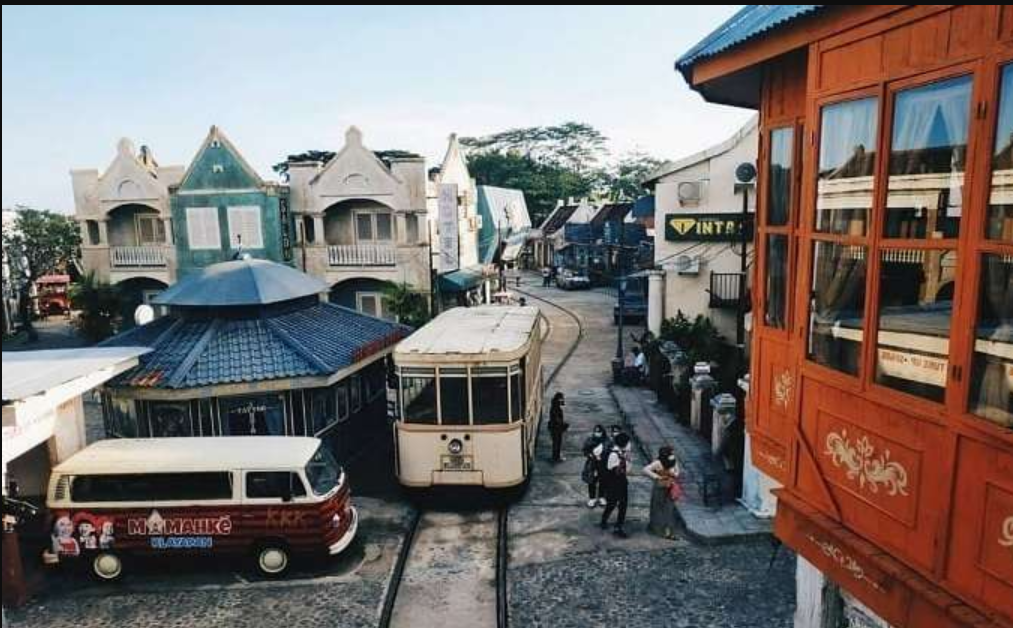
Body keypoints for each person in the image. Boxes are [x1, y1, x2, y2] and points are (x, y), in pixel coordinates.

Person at [643, 446, 681, 539]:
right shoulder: (657, 463)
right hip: (660, 487)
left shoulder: (673, 460)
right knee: (657, 507)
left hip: (670, 486)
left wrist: (674, 474)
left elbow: (677, 470)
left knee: (669, 508)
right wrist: (657, 477)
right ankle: (656, 528)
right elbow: (645, 470)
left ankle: (668, 530)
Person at [600, 432, 632, 538]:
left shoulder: (624, 454)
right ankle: (604, 520)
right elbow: (611, 469)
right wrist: (622, 462)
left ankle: (618, 526)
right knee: (612, 503)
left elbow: (628, 470)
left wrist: (627, 460)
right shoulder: (613, 454)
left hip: (622, 482)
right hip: (614, 483)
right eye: (628, 443)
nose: (629, 445)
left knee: (623, 505)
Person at [581, 425, 609, 508]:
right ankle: (592, 498)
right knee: (592, 481)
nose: (597, 433)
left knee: (603, 481)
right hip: (592, 464)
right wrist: (591, 455)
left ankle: (601, 497)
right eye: (596, 431)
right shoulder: (590, 440)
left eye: (599, 432)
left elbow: (610, 451)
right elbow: (585, 451)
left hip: (604, 464)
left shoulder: (607, 441)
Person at [548, 392, 569, 462]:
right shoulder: (555, 408)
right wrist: (563, 424)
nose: (563, 400)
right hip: (556, 428)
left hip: (555, 428)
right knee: (557, 443)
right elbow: (556, 419)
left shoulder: (555, 406)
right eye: (562, 399)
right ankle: (556, 457)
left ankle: (556, 456)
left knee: (556, 443)